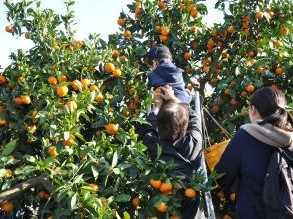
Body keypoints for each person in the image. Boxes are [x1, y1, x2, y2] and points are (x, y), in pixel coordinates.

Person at [215, 86, 293, 219]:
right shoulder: (290, 138)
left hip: (252, 212)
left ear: (254, 110)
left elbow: (222, 177)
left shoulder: (244, 136)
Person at [137, 86, 203, 218]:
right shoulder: (194, 143)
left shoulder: (153, 146)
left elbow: (146, 129)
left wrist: (156, 108)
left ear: (159, 126)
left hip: (162, 208)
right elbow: (194, 120)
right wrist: (174, 99)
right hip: (190, 209)